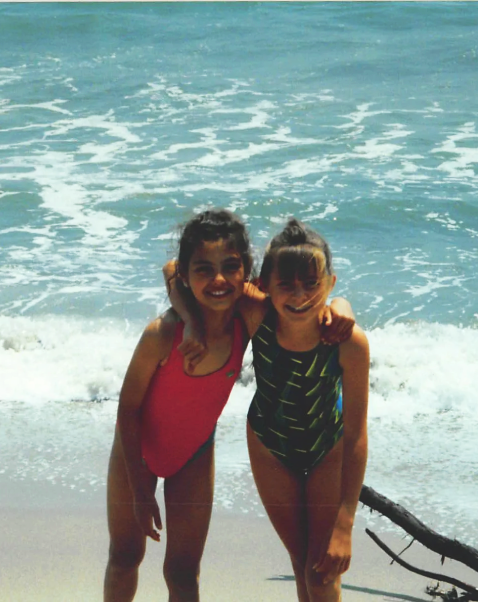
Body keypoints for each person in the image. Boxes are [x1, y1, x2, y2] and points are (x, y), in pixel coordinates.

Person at [105, 209, 354, 602]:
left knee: (183, 572)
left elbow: (312, 292)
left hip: (194, 455)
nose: (219, 279)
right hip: (134, 454)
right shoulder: (164, 333)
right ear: (187, 277)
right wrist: (139, 489)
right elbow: (128, 410)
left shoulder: (248, 315)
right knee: (125, 555)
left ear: (247, 275)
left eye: (231, 267)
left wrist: (341, 305)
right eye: (203, 270)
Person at [169, 217, 370, 602]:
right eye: (286, 284)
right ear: (263, 285)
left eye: (312, 283)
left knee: (322, 574)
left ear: (331, 283)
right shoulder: (257, 314)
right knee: (302, 562)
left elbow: (357, 435)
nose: (299, 296)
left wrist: (345, 525)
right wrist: (192, 322)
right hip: (269, 446)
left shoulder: (347, 341)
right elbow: (175, 271)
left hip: (328, 447)